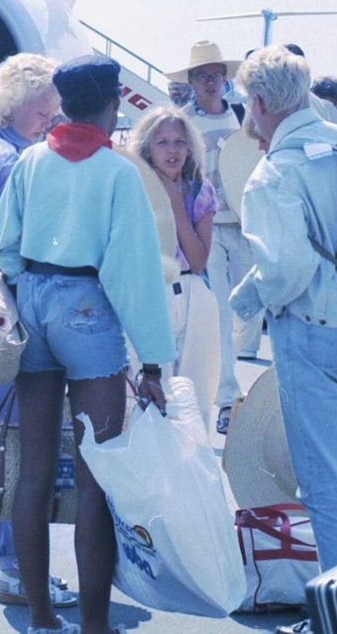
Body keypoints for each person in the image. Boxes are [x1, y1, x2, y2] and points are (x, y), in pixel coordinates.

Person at [0, 55, 173, 634]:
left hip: (34, 301)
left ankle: (42, 617)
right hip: (88, 304)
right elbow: (133, 272)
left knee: (35, 471)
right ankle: (95, 625)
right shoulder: (117, 172)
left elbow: (5, 247)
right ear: (113, 103)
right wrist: (152, 360)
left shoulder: (30, 160)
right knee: (97, 476)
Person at [231, 45, 337, 572]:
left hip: (311, 331)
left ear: (259, 101)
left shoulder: (274, 173)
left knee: (322, 480)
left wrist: (244, 302)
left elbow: (286, 270)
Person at [0, 54, 78, 611]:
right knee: (13, 439)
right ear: (12, 101)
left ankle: (13, 563)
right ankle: (15, 566)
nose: (50, 119)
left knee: (12, 435)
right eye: (42, 108)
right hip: (7, 309)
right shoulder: (3, 157)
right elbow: (27, 237)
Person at [170, 39, 255, 430]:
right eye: (203, 76)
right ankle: (226, 400)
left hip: (245, 226)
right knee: (221, 311)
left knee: (249, 312)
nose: (210, 83)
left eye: (216, 76)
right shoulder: (181, 124)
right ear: (190, 81)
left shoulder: (243, 115)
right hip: (208, 228)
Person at [128, 105, 221, 436]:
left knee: (195, 399)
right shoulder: (132, 187)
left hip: (193, 294)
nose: (172, 151)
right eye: (162, 142)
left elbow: (198, 260)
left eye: (179, 142)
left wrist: (176, 206)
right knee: (149, 399)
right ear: (147, 148)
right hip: (150, 294)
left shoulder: (199, 190)